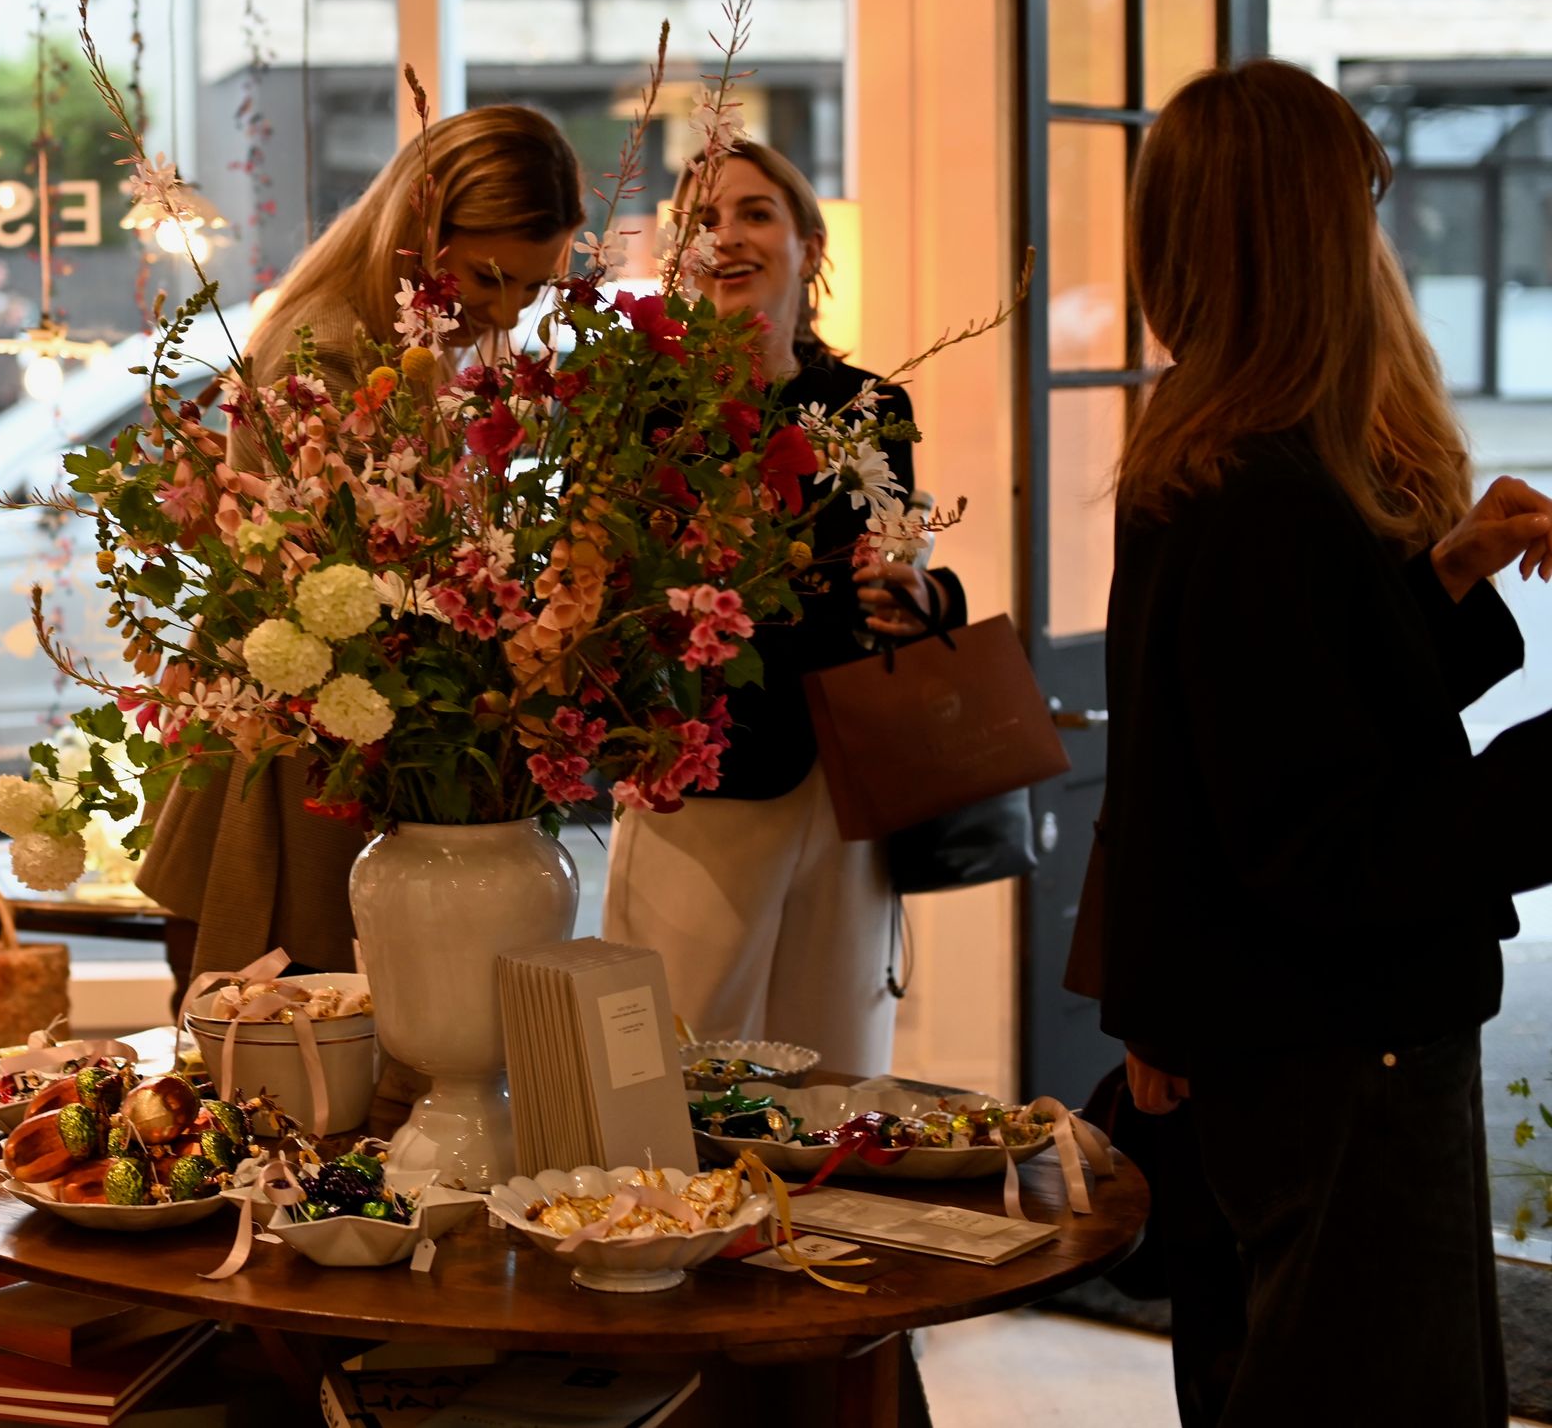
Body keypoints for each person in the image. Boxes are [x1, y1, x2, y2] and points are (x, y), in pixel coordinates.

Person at [1097, 59, 1552, 1425]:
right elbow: (1330, 852)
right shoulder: (1266, 495)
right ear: (1302, 234)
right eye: (1358, 205)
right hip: (1341, 1049)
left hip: (1279, 1041)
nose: (1378, 242)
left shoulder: (1214, 451)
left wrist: (1447, 576)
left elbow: (1246, 736)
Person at [137, 106, 585, 988]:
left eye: (530, 290)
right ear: (422, 226)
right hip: (290, 771)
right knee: (303, 1083)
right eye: (488, 276)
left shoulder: (396, 341)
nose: (500, 310)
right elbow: (354, 590)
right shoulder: (331, 352)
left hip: (329, 734)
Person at [599, 139, 963, 1073]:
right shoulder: (645, 411)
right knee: (680, 1070)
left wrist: (925, 597)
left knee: (839, 1070)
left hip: (846, 790)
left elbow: (897, 571)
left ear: (807, 243)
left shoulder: (870, 406)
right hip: (702, 789)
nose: (726, 235)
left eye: (755, 212)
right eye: (702, 219)